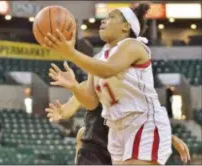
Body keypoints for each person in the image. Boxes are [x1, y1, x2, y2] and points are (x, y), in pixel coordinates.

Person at [43, 2, 188, 164]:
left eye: (111, 17)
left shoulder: (133, 45)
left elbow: (108, 69)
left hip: (142, 122)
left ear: (126, 27)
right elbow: (91, 101)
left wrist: (71, 53)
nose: (104, 21)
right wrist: (74, 86)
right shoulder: (98, 59)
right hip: (117, 130)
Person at [46, 93, 190, 165]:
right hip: (97, 150)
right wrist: (63, 111)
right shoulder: (93, 87)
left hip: (120, 151)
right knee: (81, 133)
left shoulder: (131, 91)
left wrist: (172, 138)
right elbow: (74, 102)